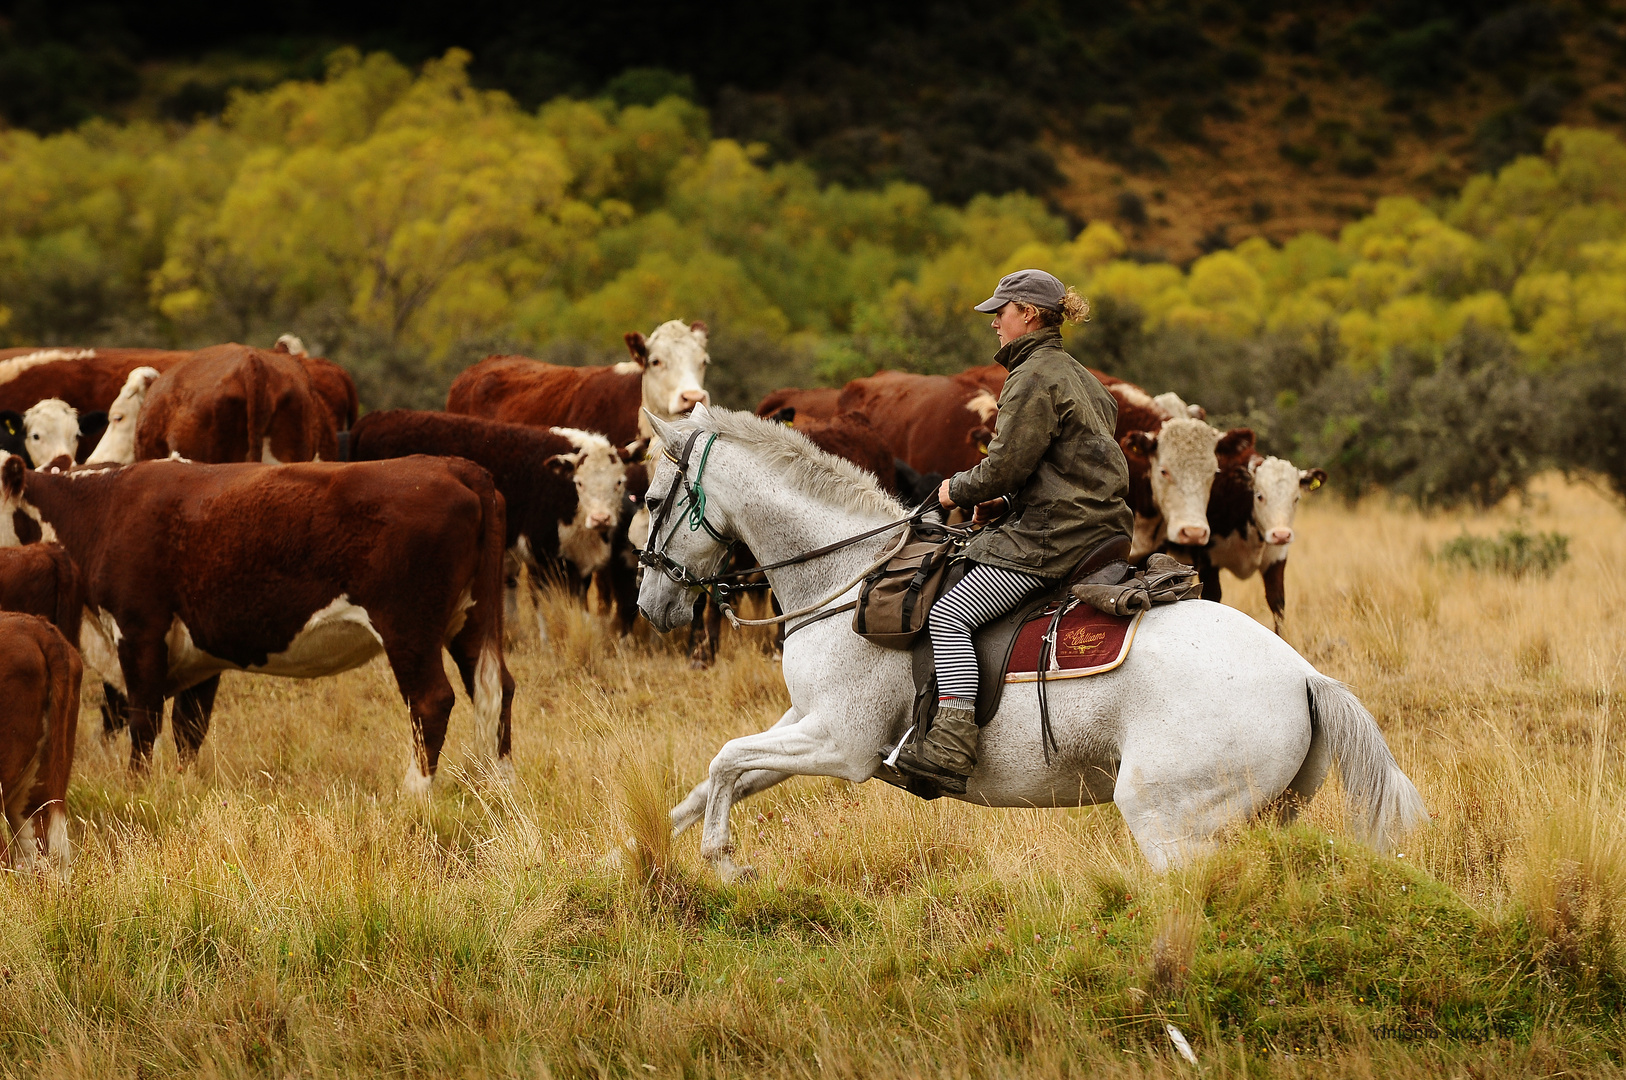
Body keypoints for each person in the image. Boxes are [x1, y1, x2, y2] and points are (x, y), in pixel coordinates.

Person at [892, 269, 1134, 795]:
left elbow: (1003, 465)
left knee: (949, 614)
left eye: (1000, 312)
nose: (994, 323)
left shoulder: (1032, 376)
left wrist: (955, 489)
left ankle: (951, 745)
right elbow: (1065, 465)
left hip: (1054, 537)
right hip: (1099, 528)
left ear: (1027, 312)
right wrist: (1006, 501)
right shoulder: (1083, 377)